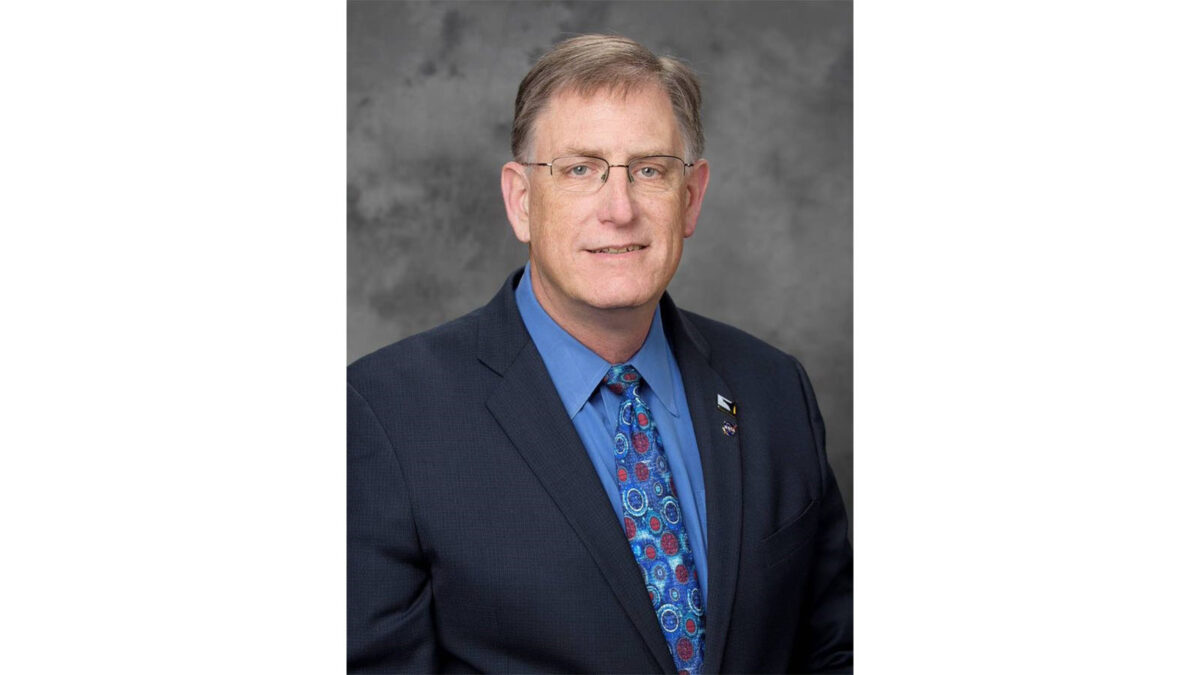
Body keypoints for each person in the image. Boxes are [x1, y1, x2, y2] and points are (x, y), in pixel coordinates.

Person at [348, 34, 853, 673]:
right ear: (522, 200)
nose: (620, 210)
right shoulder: (386, 416)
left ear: (690, 196)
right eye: (580, 169)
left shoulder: (775, 389)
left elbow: (834, 651)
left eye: (649, 169)